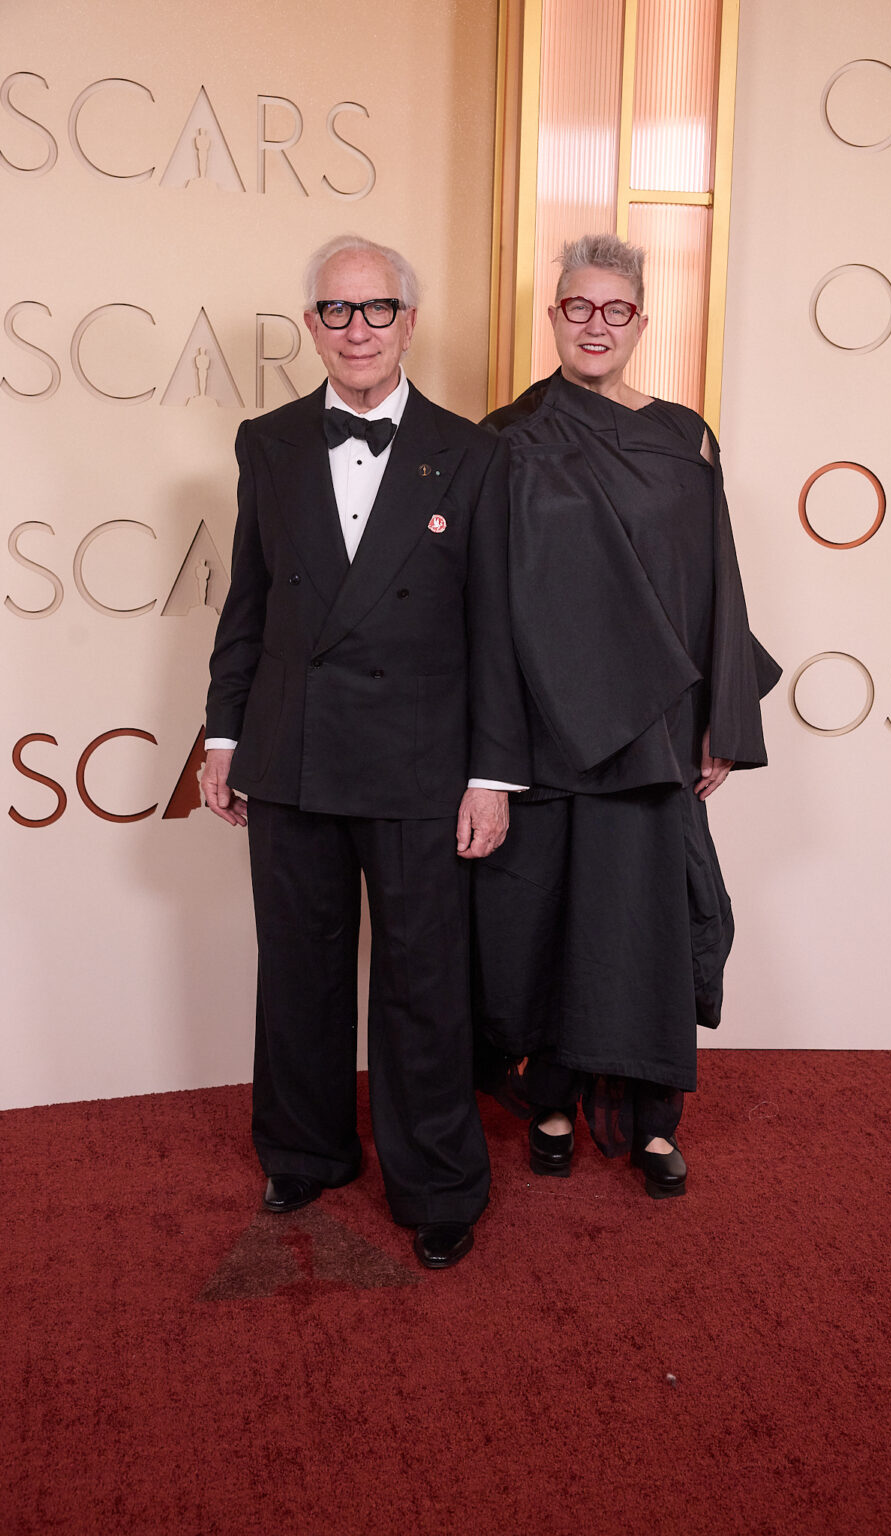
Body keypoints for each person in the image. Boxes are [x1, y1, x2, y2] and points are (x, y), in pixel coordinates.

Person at [202, 234, 528, 1269]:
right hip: (290, 750)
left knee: (422, 982)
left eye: (375, 310)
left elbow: (497, 628)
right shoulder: (267, 441)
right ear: (312, 326)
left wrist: (491, 773)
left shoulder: (471, 451)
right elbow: (246, 603)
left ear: (408, 322)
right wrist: (221, 734)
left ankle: (435, 1182)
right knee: (296, 970)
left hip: (422, 761)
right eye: (336, 312)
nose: (356, 330)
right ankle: (303, 1150)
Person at [473, 232, 780, 1198]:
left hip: (652, 730)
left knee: (642, 927)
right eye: (577, 307)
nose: (595, 324)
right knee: (551, 921)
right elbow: (485, 596)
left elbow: (716, 584)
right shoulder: (505, 435)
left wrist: (718, 720)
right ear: (553, 314)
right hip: (548, 724)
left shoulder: (686, 435)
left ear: (641, 319)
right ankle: (555, 1102)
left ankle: (652, 1124)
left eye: (615, 309)